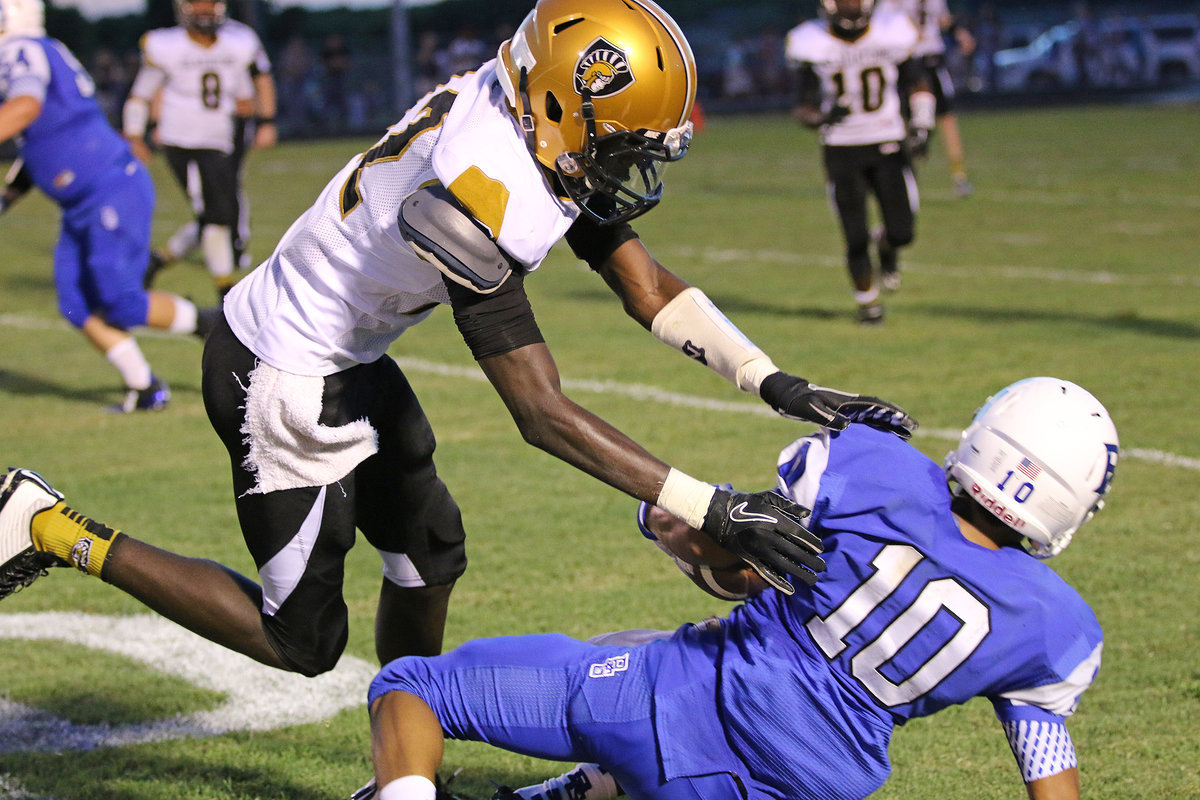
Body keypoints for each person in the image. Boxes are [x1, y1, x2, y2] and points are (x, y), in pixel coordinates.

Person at [0, 0, 914, 681]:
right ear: (559, 107)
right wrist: (709, 506)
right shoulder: (480, 184)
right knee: (302, 640)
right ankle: (47, 525)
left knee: (431, 552)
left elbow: (645, 286)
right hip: (281, 374)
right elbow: (540, 413)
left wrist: (773, 382)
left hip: (349, 354)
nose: (628, 164)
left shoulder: (526, 108)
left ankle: (403, 762)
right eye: (622, 143)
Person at [350, 376, 1117, 800]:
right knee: (641, 655)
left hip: (678, 705)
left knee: (414, 687)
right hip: (808, 785)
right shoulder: (1057, 627)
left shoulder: (875, 467)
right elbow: (1047, 766)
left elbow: (728, 557)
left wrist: (660, 517)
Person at [0, 0, 214, 414]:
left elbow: (25, 108)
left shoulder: (21, 48)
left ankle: (211, 323)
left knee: (120, 301)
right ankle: (145, 387)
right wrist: (8, 197)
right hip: (83, 201)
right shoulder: (34, 50)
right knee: (76, 304)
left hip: (109, 189)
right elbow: (42, 142)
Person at [786, 0, 935, 323]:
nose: (850, 5)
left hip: (887, 141)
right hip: (841, 148)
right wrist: (822, 117)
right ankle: (868, 304)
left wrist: (923, 122)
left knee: (902, 231)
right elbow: (803, 107)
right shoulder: (811, 41)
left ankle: (888, 248)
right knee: (855, 234)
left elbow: (918, 81)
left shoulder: (891, 31)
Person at [122, 0, 277, 298]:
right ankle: (224, 290)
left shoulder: (239, 42)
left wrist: (263, 121)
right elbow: (141, 94)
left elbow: (247, 92)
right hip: (183, 141)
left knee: (220, 212)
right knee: (216, 214)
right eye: (197, 2)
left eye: (210, 2)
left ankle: (159, 260)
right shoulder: (166, 45)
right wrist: (135, 135)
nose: (204, 9)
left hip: (222, 139)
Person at [878, 0, 976, 197]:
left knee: (946, 116)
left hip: (932, 58)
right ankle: (905, 175)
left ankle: (959, 175)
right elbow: (882, 22)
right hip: (906, 60)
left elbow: (941, 18)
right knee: (902, 121)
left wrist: (959, 32)